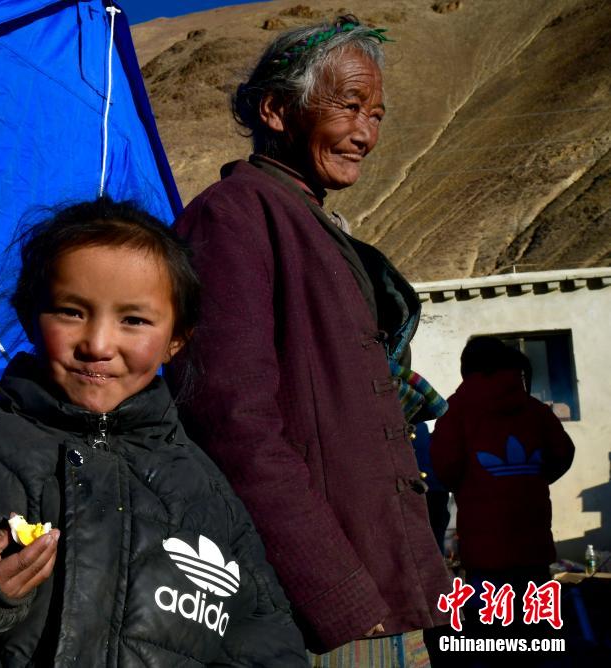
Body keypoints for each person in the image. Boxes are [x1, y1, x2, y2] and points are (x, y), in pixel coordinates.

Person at [0, 197, 307, 667]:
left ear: (176, 340)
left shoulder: (205, 492)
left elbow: (265, 642)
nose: (98, 343)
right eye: (71, 311)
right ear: (29, 314)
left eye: (134, 320)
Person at [167, 15, 453, 658]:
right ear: (275, 109)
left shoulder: (304, 218)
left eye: (376, 115)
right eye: (349, 107)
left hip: (384, 588)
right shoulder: (234, 216)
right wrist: (338, 592)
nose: (365, 134)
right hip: (326, 609)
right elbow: (231, 421)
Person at [430, 337, 574, 659]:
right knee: (536, 640)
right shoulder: (535, 410)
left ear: (468, 369)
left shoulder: (457, 411)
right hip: (534, 551)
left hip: (485, 556)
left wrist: (477, 484)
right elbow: (562, 454)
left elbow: (445, 468)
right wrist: (528, 479)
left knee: (493, 641)